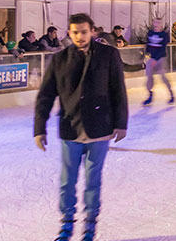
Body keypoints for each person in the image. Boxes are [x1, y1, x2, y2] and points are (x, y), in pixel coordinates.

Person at [34, 13, 128, 241]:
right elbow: (46, 95)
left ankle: (90, 225)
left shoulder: (108, 55)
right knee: (68, 180)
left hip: (100, 128)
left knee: (93, 180)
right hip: (71, 128)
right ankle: (66, 224)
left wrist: (121, 123)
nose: (80, 36)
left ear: (92, 31)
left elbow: (118, 90)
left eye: (84, 32)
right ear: (69, 33)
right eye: (75, 32)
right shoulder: (60, 59)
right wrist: (39, 127)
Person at [142, 18, 173, 105]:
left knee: (163, 77)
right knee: (149, 76)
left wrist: (156, 59)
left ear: (161, 24)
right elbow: (148, 45)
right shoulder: (150, 33)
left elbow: (163, 49)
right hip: (151, 58)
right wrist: (145, 55)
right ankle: (150, 94)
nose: (156, 24)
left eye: (158, 23)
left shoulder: (164, 35)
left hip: (160, 58)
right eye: (155, 22)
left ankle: (171, 93)